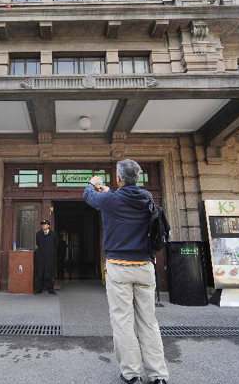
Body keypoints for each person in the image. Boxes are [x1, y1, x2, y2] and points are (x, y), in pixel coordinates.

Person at [84, 159, 169, 384]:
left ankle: (132, 373)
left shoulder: (110, 200)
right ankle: (158, 374)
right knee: (149, 321)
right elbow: (125, 197)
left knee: (123, 321)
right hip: (144, 267)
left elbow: (89, 197)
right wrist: (110, 191)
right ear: (137, 178)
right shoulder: (147, 198)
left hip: (119, 267)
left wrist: (92, 183)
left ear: (119, 178)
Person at [35, 219, 59, 295]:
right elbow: (38, 243)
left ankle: (50, 289)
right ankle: (39, 289)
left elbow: (56, 245)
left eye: (45, 224)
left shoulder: (53, 234)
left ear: (48, 226)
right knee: (40, 273)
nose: (43, 225)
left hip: (50, 256)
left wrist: (50, 252)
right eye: (42, 224)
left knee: (50, 273)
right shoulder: (38, 234)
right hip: (41, 256)